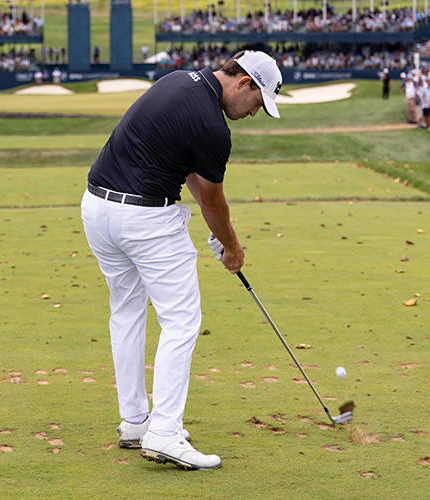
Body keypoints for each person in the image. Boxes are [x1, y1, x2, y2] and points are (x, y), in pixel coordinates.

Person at [81, 50, 282, 471]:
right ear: (244, 83)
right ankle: (165, 433)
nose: (254, 113)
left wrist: (217, 231)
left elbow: (187, 168)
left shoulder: (177, 81)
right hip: (144, 218)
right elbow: (212, 198)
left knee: (128, 312)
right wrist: (232, 247)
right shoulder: (214, 126)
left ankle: (136, 421)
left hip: (97, 208)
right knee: (182, 320)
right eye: (259, 103)